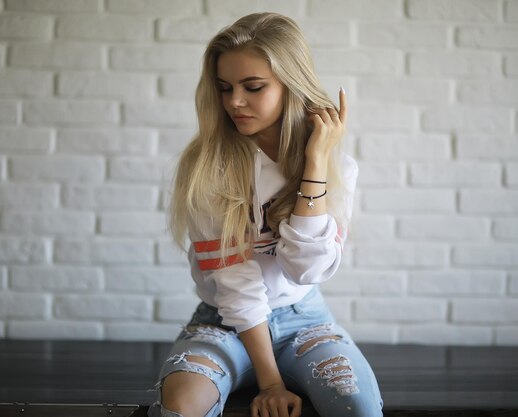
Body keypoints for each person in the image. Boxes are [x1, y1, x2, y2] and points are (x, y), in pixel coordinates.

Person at [149, 12, 383, 417]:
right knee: (181, 405)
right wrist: (270, 382)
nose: (234, 102)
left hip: (305, 319)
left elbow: (306, 271)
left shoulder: (336, 168)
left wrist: (314, 163)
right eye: (225, 88)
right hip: (222, 320)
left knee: (357, 407)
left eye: (253, 87)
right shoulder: (206, 167)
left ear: (292, 85)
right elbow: (235, 284)